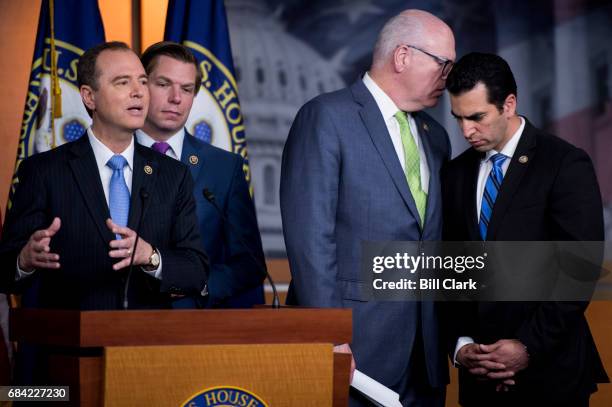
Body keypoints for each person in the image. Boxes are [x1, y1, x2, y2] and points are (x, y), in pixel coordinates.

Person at [281, 9, 455, 406]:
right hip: (355, 350)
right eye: (443, 64)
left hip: (425, 359)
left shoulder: (437, 137)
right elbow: (311, 239)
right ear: (403, 56)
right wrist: (331, 334)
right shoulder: (326, 116)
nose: (449, 78)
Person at [442, 52, 609, 406]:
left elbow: (579, 269)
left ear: (509, 104)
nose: (466, 131)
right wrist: (462, 345)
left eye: (476, 117)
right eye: (458, 118)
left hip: (552, 374)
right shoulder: (454, 175)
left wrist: (526, 346)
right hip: (479, 378)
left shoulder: (564, 162)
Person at [0, 41, 209, 310]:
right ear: (89, 97)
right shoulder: (44, 171)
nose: (138, 93)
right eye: (123, 82)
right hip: (71, 343)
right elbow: (4, 273)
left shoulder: (173, 174)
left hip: (149, 344)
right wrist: (24, 260)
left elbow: (196, 272)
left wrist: (151, 256)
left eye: (143, 82)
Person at [137, 41, 265, 308]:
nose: (176, 98)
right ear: (141, 86)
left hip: (195, 327)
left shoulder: (224, 168)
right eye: (163, 84)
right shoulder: (109, 159)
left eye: (187, 89)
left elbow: (249, 263)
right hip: (117, 323)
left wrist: (199, 285)